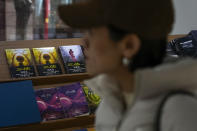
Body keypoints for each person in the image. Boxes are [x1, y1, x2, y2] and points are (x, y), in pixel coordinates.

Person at [58, 0, 197, 131]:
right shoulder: (109, 106)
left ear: (129, 45)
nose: (84, 42)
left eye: (91, 32)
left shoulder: (180, 110)